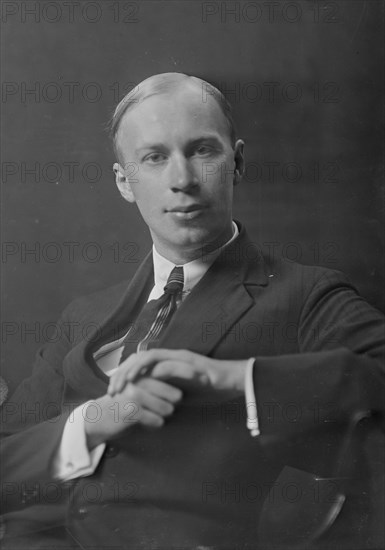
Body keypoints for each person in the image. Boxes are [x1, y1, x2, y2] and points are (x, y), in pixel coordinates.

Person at [1, 72, 384, 550]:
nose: (181, 180)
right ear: (125, 182)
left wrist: (228, 378)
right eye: (154, 158)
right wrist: (94, 420)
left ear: (237, 161)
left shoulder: (304, 294)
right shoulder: (84, 316)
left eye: (202, 151)